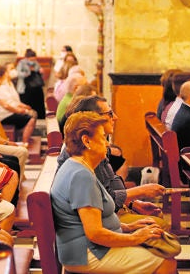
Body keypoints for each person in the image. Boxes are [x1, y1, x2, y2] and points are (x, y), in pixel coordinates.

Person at [52, 111, 177, 274]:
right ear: (86, 140)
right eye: (103, 137)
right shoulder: (80, 175)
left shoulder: (79, 167)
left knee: (157, 248)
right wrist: (134, 238)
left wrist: (127, 227)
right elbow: (94, 233)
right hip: (87, 253)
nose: (106, 143)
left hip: (88, 249)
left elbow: (92, 221)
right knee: (164, 261)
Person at [58, 95, 167, 223]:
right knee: (158, 224)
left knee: (157, 221)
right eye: (109, 113)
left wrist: (132, 203)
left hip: (110, 212)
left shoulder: (94, 144)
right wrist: (141, 191)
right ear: (94, 118)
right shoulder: (86, 151)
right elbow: (101, 201)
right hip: (98, 219)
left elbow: (109, 184)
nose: (115, 117)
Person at [0, 65, 36, 144]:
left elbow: (9, 101)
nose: (7, 76)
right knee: (31, 119)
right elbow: (5, 105)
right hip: (4, 116)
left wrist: (20, 108)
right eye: (5, 74)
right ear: (0, 77)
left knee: (30, 116)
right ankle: (25, 142)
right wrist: (19, 111)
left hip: (9, 113)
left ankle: (23, 139)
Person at [16, 48, 46, 119]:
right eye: (31, 60)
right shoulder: (21, 63)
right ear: (27, 58)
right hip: (26, 87)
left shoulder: (36, 62)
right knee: (27, 102)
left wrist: (40, 71)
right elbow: (18, 73)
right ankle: (28, 117)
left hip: (36, 87)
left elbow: (39, 72)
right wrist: (27, 73)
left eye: (34, 59)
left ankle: (40, 116)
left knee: (38, 102)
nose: (33, 61)